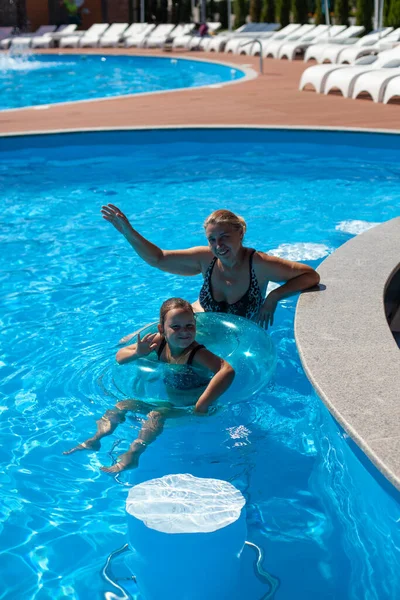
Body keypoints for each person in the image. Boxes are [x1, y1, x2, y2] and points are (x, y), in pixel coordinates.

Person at [63, 298, 235, 473]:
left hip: (190, 405)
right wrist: (138, 352)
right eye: (175, 327)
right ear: (162, 329)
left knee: (156, 414)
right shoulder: (159, 343)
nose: (184, 332)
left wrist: (202, 404)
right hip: (169, 401)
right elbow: (119, 357)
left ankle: (133, 455)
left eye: (189, 325)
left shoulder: (197, 354)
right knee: (122, 405)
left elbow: (227, 370)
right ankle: (95, 439)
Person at [101, 204, 320, 329]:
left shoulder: (260, 264)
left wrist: (273, 297)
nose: (218, 245)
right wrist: (128, 233)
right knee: (133, 345)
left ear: (241, 233)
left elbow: (310, 276)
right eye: (212, 239)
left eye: (224, 237)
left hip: (240, 334)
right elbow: (158, 258)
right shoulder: (206, 258)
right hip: (198, 322)